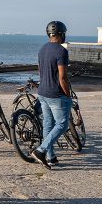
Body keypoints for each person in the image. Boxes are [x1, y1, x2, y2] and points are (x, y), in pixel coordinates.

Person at [31, 21, 73, 169]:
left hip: (43, 92)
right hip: (56, 94)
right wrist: (68, 95)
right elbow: (63, 77)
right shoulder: (62, 51)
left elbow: (40, 71)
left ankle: (51, 157)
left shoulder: (42, 49)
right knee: (62, 124)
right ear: (61, 34)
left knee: (48, 125)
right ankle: (41, 150)